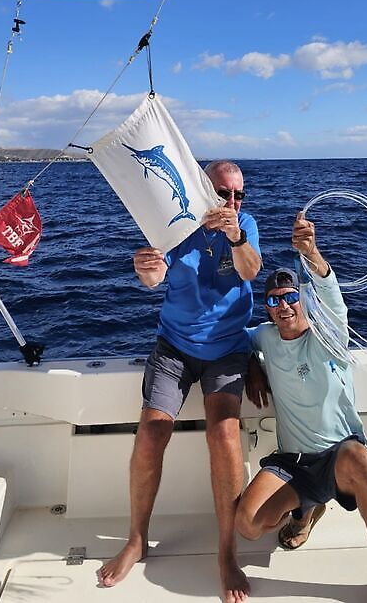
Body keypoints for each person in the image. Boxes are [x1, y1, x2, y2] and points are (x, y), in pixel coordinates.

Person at [99, 160, 261, 603]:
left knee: (224, 435)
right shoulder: (174, 225)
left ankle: (226, 551)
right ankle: (136, 539)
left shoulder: (245, 225)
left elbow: (251, 270)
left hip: (227, 348)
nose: (231, 202)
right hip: (174, 347)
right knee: (152, 432)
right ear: (203, 190)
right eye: (223, 193)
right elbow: (155, 278)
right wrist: (145, 267)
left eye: (238, 194)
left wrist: (236, 236)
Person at [235, 213, 367, 603]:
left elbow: (330, 295)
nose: (283, 305)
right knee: (248, 524)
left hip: (338, 455)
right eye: (274, 300)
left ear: (303, 299)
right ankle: (306, 510)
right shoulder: (264, 338)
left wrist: (311, 252)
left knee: (362, 460)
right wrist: (251, 366)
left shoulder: (329, 335)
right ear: (268, 309)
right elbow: (231, 338)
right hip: (294, 462)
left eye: (291, 296)